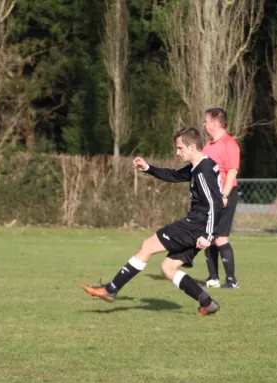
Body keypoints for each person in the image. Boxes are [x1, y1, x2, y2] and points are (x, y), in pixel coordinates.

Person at [82, 127, 223, 316]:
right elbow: (173, 175)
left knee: (147, 246)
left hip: (195, 226)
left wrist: (208, 235)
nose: (177, 152)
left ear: (191, 146)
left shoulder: (203, 171)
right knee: (168, 268)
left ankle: (111, 288)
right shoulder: (198, 166)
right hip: (198, 226)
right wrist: (148, 168)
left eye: (180, 148)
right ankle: (207, 302)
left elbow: (215, 204)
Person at [201, 108, 241, 288]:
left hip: (225, 195)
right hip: (210, 198)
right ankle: (213, 278)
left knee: (221, 238)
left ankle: (231, 280)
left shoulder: (229, 144)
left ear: (216, 122)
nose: (204, 124)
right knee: (208, 237)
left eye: (206, 121)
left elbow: (232, 171)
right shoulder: (208, 146)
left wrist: (224, 194)